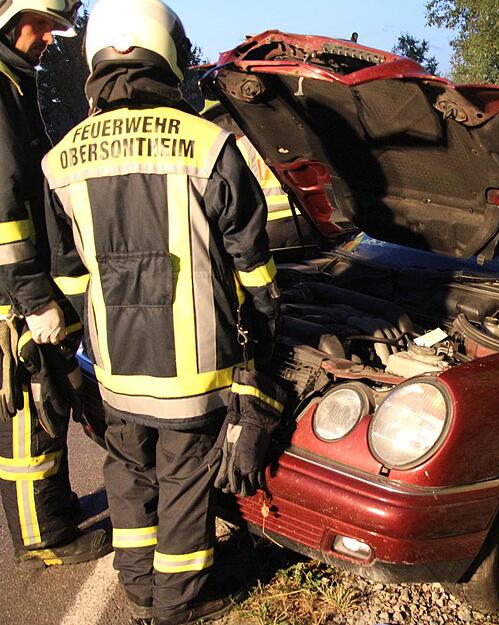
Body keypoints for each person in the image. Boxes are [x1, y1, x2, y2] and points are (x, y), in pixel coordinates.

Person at [41, 0, 280, 623]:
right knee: (181, 481)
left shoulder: (62, 158)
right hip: (193, 373)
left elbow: (67, 272)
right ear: (167, 53)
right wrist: (262, 328)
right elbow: (252, 263)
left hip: (115, 366)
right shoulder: (208, 146)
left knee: (128, 474)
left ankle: (138, 582)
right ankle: (176, 604)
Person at [0, 0, 111, 569]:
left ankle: (56, 506)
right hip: (13, 298)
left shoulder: (14, 84)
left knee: (52, 409)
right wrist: (33, 297)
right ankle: (42, 538)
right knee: (29, 416)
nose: (49, 38)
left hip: (26, 288)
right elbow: (4, 208)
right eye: (42, 25)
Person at [202, 102, 319, 249]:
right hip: (303, 219)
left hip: (267, 224)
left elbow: (237, 190)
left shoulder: (243, 146)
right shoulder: (293, 140)